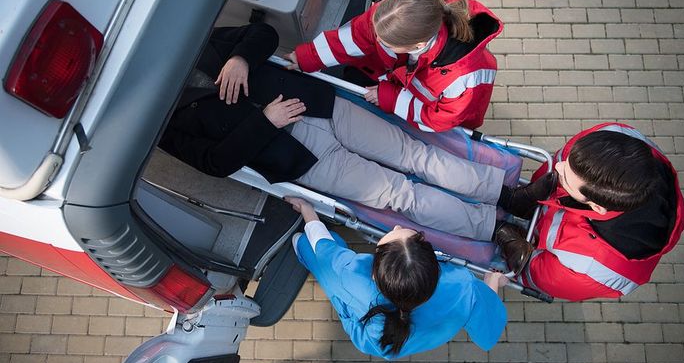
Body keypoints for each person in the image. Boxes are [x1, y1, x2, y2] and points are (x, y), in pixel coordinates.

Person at [160, 24, 556, 241]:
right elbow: (215, 164)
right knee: (401, 194)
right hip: (299, 160)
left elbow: (263, 34)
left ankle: (508, 195)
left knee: (416, 155)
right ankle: (494, 228)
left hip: (324, 107)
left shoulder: (194, 42)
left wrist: (240, 57)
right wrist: (266, 122)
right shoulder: (164, 125)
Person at [286, 196, 508, 359]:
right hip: (408, 340)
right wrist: (493, 282)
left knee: (307, 244)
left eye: (393, 234)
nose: (397, 225)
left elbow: (324, 248)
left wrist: (307, 210)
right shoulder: (463, 283)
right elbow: (487, 326)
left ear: (374, 273)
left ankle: (296, 244)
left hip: (370, 334)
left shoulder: (352, 275)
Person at [494, 123, 684, 301]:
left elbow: (533, 275)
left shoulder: (596, 270)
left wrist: (517, 250)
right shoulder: (614, 139)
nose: (558, 167)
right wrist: (533, 195)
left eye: (565, 178)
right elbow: (563, 162)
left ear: (596, 207)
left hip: (543, 251)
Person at [285, 0, 503, 132]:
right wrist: (307, 57)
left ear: (417, 46)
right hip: (399, 84)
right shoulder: (392, 14)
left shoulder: (463, 78)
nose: (376, 40)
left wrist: (391, 99)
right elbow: (354, 37)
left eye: (386, 43)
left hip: (436, 112)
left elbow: (440, 118)